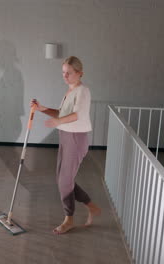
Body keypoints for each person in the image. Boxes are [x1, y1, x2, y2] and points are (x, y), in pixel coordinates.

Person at [31, 56, 101, 234]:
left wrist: (58, 121)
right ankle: (91, 206)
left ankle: (68, 219)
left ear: (79, 73)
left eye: (69, 73)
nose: (65, 76)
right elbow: (61, 113)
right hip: (65, 136)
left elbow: (77, 115)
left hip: (76, 139)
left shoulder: (83, 91)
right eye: (63, 73)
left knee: (65, 182)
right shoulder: (69, 91)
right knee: (63, 180)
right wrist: (42, 108)